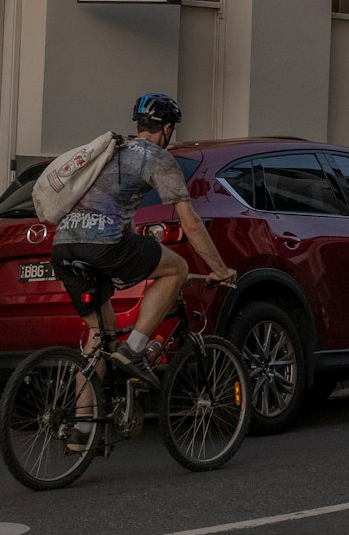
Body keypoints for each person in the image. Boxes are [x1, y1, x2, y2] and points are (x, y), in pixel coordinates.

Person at [51, 92, 237, 393]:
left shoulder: (112, 151)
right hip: (102, 243)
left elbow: (119, 210)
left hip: (63, 245)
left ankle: (82, 431)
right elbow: (189, 220)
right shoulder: (158, 158)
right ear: (166, 128)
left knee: (99, 336)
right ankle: (134, 350)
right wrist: (219, 268)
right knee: (176, 268)